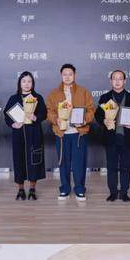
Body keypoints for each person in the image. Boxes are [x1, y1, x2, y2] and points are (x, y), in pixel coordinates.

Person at [45, 64, 94, 201]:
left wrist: (84, 120)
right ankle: (65, 188)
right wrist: (56, 119)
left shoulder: (83, 92)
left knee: (79, 163)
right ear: (61, 75)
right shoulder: (54, 93)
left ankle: (80, 189)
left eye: (70, 74)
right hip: (62, 134)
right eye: (65, 74)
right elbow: (49, 111)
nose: (67, 77)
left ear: (74, 75)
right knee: (64, 163)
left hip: (79, 133)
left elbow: (91, 110)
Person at [94, 70, 130, 202]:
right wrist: (104, 120)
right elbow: (98, 115)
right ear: (111, 81)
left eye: (120, 79)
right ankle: (113, 192)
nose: (117, 81)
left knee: (126, 167)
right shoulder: (105, 97)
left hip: (126, 137)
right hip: (110, 138)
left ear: (125, 81)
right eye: (115, 78)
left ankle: (124, 192)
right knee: (111, 166)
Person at [4, 71, 47, 200]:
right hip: (18, 135)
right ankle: (21, 189)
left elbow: (44, 113)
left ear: (32, 83)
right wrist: (13, 124)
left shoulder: (37, 97)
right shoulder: (14, 98)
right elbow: (7, 115)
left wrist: (36, 117)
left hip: (34, 134)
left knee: (34, 160)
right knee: (19, 161)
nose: (27, 84)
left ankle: (32, 189)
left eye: (29, 81)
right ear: (19, 83)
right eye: (24, 81)